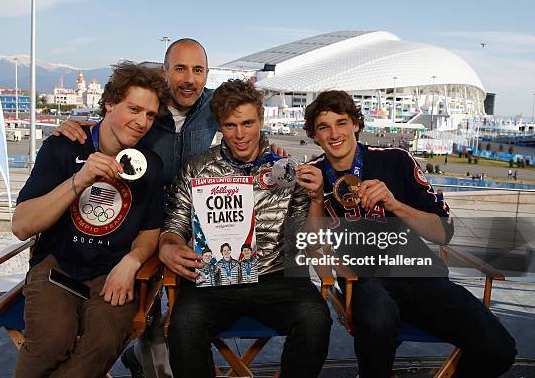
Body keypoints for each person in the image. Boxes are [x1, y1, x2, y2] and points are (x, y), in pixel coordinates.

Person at [52, 38, 287, 378]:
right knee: (147, 295)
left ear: (207, 74)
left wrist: (271, 151)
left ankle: (164, 349)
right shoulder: (148, 106)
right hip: (140, 217)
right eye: (180, 69)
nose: (189, 79)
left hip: (196, 221)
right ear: (164, 72)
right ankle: (150, 350)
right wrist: (75, 126)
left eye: (198, 70)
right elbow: (110, 124)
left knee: (184, 291)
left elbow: (246, 128)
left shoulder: (214, 106)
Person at [303, 90, 516, 378]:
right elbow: (313, 250)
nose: (334, 133)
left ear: (355, 124)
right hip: (364, 280)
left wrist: (395, 204)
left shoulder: (397, 161)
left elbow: (443, 233)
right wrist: (316, 200)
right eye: (323, 127)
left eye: (341, 122)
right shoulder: (310, 177)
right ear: (314, 135)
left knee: (499, 349)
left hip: (421, 275)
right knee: (378, 320)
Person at [160, 79, 331, 378]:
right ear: (219, 126)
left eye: (248, 123)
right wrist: (169, 246)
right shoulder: (196, 168)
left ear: (262, 119)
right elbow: (174, 225)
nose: (240, 135)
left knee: (315, 318)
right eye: (230, 125)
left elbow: (309, 241)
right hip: (212, 276)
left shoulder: (286, 169)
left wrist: (317, 198)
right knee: (183, 326)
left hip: (275, 275)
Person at [11, 63, 169, 378]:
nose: (141, 122)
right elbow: (21, 226)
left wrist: (132, 262)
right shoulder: (65, 145)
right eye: (134, 109)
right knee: (52, 341)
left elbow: (151, 231)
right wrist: (79, 180)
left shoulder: (150, 165)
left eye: (150, 115)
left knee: (105, 342)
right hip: (57, 266)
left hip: (111, 273)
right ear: (109, 102)